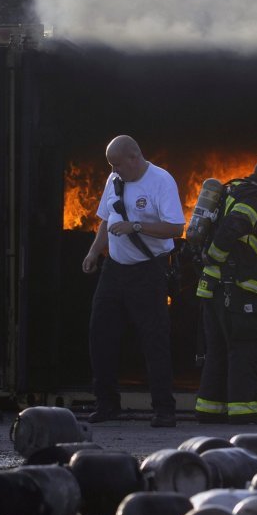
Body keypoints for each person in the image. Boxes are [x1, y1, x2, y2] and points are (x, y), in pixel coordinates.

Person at [82, 135, 185, 428]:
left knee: (154, 339)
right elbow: (106, 219)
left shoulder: (161, 181)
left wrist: (136, 226)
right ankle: (107, 404)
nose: (114, 169)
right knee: (99, 334)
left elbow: (176, 228)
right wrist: (93, 252)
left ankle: (164, 409)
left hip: (148, 271)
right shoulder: (114, 178)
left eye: (117, 163)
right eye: (110, 165)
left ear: (135, 156)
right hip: (114, 269)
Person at [194, 157, 257, 424]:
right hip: (238, 286)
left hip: (214, 286)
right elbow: (234, 226)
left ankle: (209, 409)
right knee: (247, 346)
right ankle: (245, 410)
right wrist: (216, 256)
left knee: (218, 348)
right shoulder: (256, 196)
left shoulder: (232, 190)